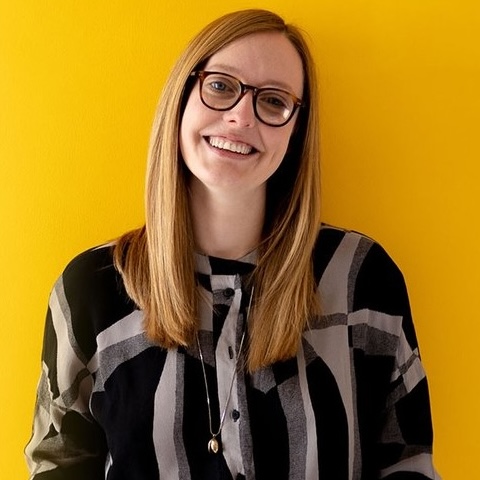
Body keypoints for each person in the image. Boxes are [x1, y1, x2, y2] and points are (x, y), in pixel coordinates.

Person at [25, 8, 440, 480]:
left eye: (274, 100)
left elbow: (408, 461)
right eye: (220, 86)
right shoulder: (90, 291)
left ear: (295, 132)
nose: (242, 116)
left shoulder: (364, 279)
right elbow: (58, 464)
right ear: (181, 99)